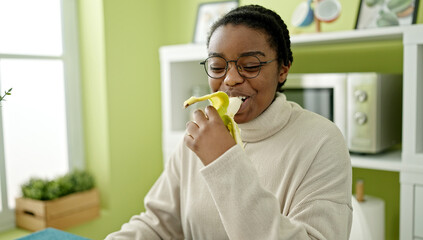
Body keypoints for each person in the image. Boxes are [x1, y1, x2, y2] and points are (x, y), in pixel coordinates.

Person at [106, 4, 352, 240]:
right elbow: (156, 224)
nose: (231, 79)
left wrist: (223, 161)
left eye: (250, 65)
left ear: (283, 69)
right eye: (217, 66)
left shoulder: (322, 141)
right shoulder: (199, 136)